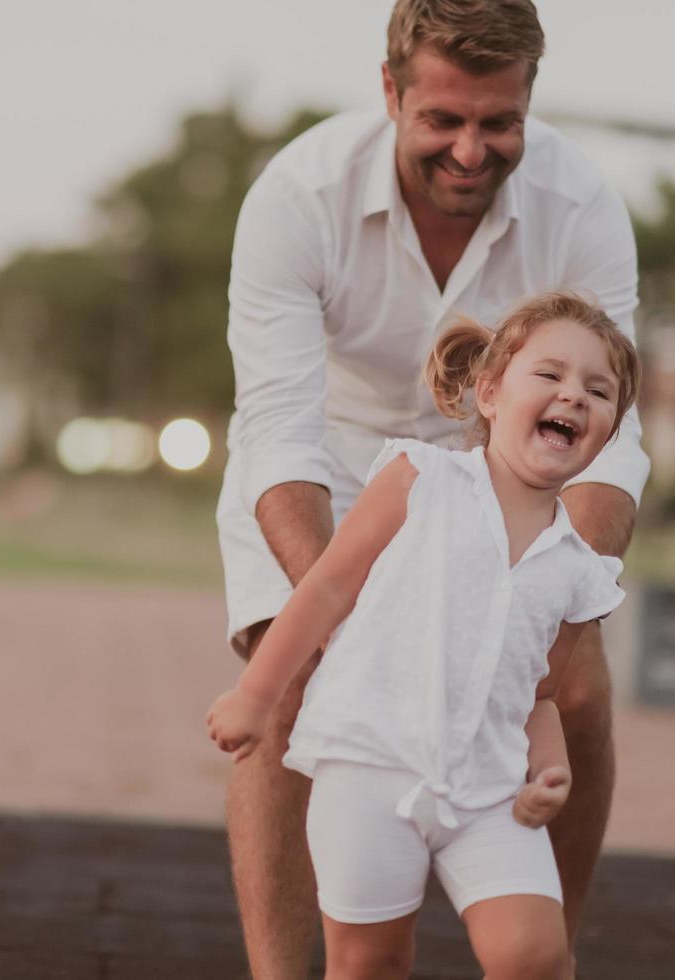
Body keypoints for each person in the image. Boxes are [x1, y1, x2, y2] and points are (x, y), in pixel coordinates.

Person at [215, 1, 650, 975]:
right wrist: (345, 614)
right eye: (443, 120)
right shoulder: (297, 195)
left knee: (573, 678)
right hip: (335, 445)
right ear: (391, 92)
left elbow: (615, 439)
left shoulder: (584, 208)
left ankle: (543, 953)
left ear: (529, 102)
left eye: (498, 123)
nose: (469, 149)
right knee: (299, 675)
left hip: (506, 451)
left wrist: (557, 591)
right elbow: (279, 429)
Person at [209, 292, 641, 979]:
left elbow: (538, 691)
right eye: (551, 375)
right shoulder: (420, 479)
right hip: (369, 771)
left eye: (599, 389)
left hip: (492, 790)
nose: (574, 396)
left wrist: (548, 767)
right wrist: (256, 697)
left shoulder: (578, 570)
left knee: (536, 955)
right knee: (369, 963)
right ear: (491, 392)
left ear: (610, 429)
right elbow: (325, 589)